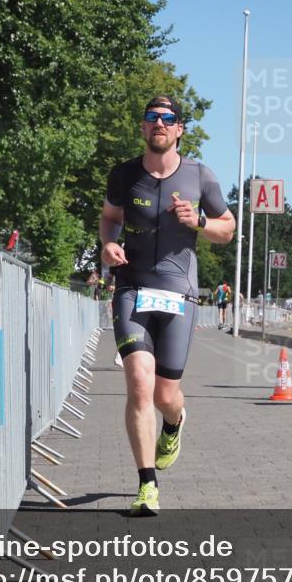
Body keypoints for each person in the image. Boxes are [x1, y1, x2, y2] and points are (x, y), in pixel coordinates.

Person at [98, 95, 235, 514]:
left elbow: (228, 229)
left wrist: (199, 221)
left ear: (179, 130)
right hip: (131, 289)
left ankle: (174, 424)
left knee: (165, 395)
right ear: (143, 128)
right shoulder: (124, 175)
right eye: (152, 118)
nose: (159, 123)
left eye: (168, 118)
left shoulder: (200, 177)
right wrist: (107, 244)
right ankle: (147, 485)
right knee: (139, 384)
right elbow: (109, 216)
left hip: (179, 293)